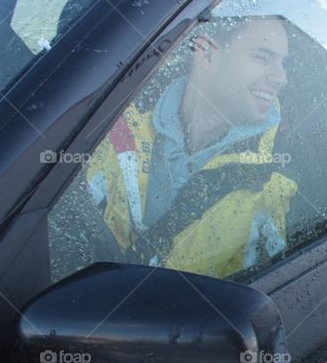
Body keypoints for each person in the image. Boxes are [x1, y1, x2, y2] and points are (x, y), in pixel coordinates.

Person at [82, 15, 297, 279]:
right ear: (206, 54)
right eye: (263, 58)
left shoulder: (278, 173)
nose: (282, 78)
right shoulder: (114, 125)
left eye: (282, 63)